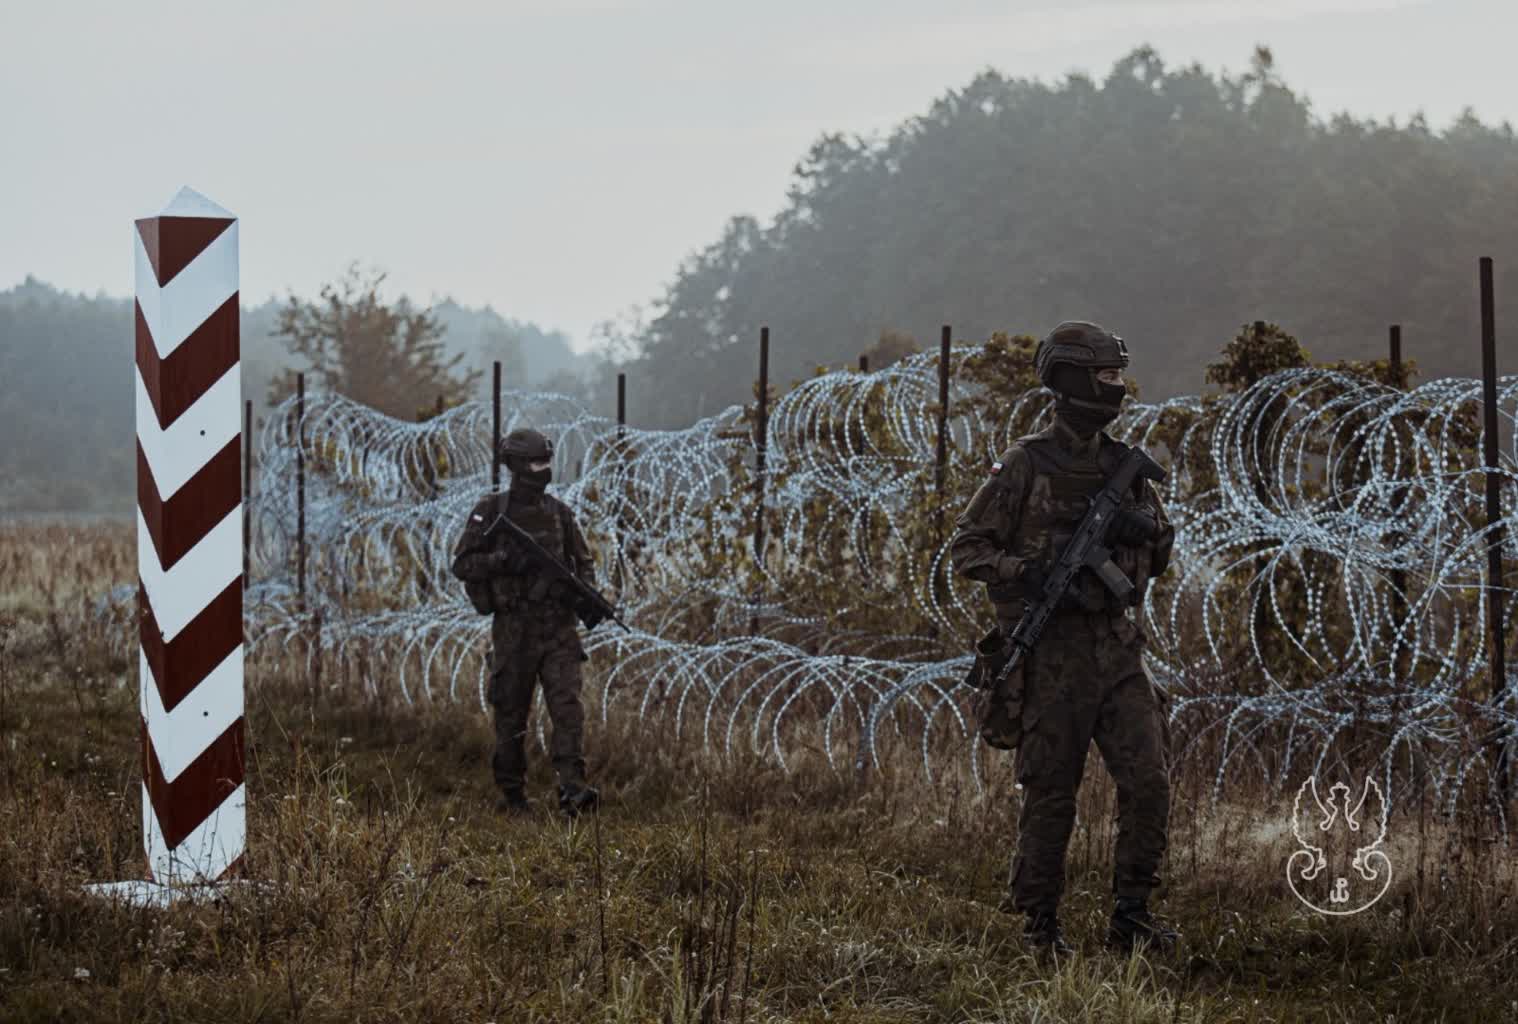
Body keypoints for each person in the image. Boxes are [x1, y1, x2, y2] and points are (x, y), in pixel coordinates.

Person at [949, 321, 1179, 957]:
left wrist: (1140, 530)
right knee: (1052, 793)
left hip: (1118, 649)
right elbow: (967, 550)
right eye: (1106, 376)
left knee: (1149, 783)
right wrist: (1029, 570)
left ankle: (1132, 916)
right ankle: (1039, 929)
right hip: (1053, 657)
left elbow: (1158, 555)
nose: (1117, 387)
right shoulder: (1026, 463)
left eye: (1117, 375)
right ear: (1074, 379)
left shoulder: (1124, 466)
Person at [451, 427, 601, 818]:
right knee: (512, 711)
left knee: (567, 709)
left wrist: (586, 596)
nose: (543, 469)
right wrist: (502, 562)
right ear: (517, 466)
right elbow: (462, 564)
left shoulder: (559, 515)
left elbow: (583, 564)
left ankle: (573, 791)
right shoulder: (493, 512)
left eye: (547, 462)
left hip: (558, 630)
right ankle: (513, 794)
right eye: (536, 462)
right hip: (515, 630)